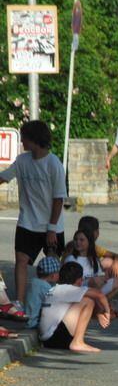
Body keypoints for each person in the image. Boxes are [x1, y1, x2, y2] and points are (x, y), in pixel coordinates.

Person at [1, 120, 66, 310]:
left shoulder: (54, 164)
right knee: (21, 261)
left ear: (34, 139)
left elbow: (58, 199)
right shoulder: (22, 161)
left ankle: (56, 302)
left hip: (51, 225)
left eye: (24, 138)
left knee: (54, 266)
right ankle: (19, 302)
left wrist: (52, 228)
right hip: (27, 222)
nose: (22, 141)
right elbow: (4, 176)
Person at [38, 261, 112, 353]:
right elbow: (99, 294)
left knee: (84, 299)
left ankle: (77, 341)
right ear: (79, 280)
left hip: (47, 340)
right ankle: (78, 342)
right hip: (56, 338)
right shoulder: (69, 290)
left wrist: (98, 314)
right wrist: (107, 312)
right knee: (88, 301)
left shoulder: (55, 289)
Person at [63, 228, 118, 297]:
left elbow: (99, 275)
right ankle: (99, 304)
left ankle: (103, 303)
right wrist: (89, 280)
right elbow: (68, 281)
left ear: (89, 242)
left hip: (95, 288)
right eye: (76, 239)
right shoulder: (71, 259)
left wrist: (105, 277)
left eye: (81, 240)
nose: (77, 242)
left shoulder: (93, 259)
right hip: (79, 290)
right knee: (95, 281)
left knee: (117, 282)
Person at [24, 255, 61, 329]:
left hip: (28, 320)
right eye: (58, 272)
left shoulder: (34, 282)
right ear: (53, 275)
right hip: (34, 323)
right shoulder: (45, 287)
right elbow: (55, 301)